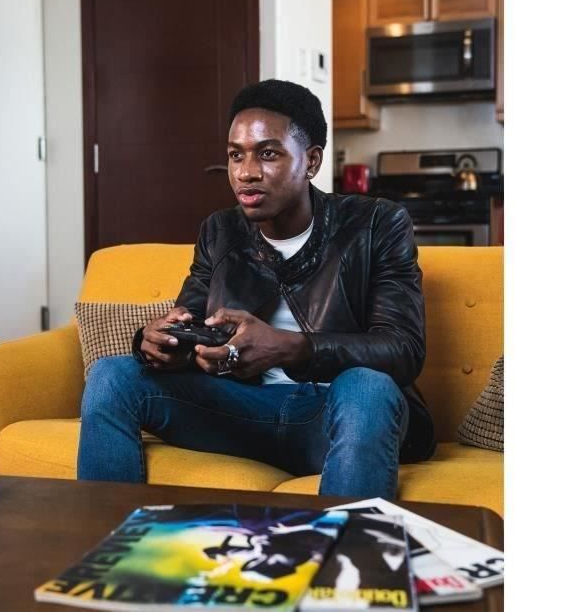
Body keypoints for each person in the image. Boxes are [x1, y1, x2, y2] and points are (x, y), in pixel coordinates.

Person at [78, 79, 435, 499]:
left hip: (335, 416)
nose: (246, 173)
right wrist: (162, 343)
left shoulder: (377, 224)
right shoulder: (220, 231)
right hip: (240, 411)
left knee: (367, 387)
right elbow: (192, 326)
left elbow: (402, 349)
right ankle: (109, 534)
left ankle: (348, 542)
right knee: (111, 375)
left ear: (312, 160)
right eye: (236, 155)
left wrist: (288, 347)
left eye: (268, 154)